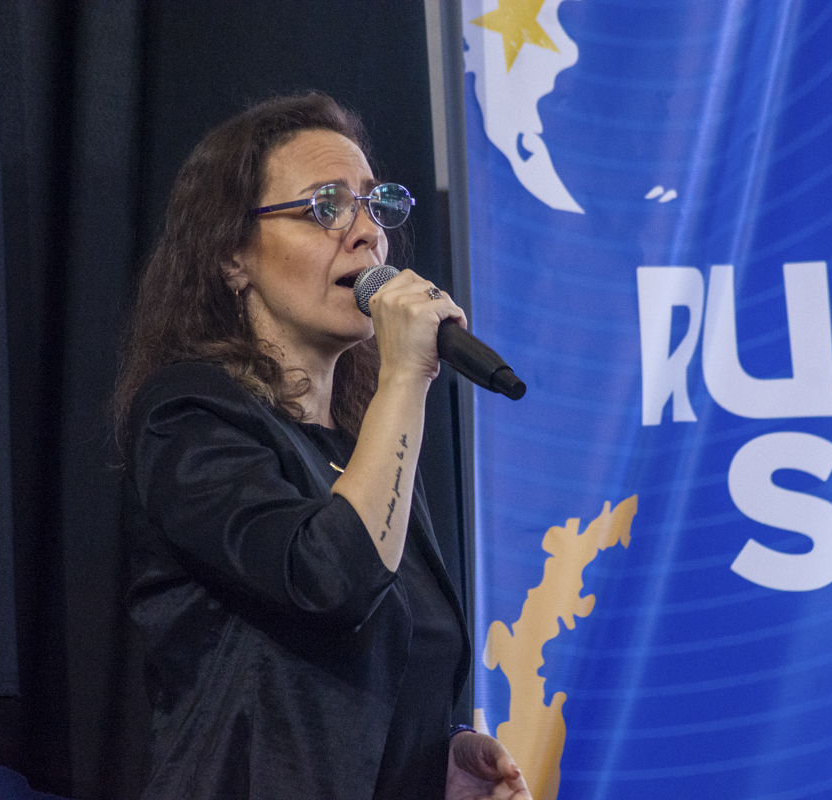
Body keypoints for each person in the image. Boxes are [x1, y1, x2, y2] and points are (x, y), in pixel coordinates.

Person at [113, 92, 531, 800]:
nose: (367, 233)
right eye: (324, 207)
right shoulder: (189, 415)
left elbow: (376, 673)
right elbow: (330, 581)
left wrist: (434, 761)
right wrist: (406, 375)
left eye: (374, 204)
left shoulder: (361, 443)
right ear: (232, 257)